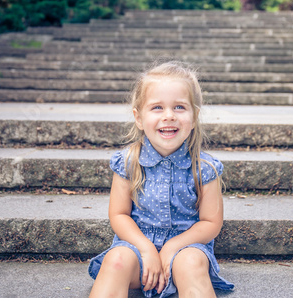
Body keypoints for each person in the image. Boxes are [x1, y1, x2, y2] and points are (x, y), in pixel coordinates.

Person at [88, 61, 234, 297]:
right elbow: (119, 214)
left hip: (185, 250)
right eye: (157, 107)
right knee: (116, 260)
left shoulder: (204, 168)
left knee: (191, 264)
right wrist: (146, 249)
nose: (169, 116)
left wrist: (171, 247)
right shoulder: (128, 163)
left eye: (179, 107)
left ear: (194, 116)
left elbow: (211, 223)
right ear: (139, 117)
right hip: (137, 249)